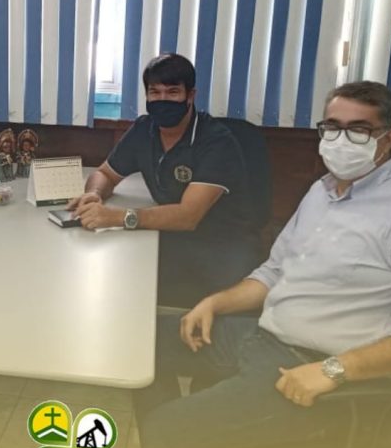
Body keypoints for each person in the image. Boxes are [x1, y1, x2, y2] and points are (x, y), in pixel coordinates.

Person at [128, 81, 391, 448]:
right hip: (263, 337)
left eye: (358, 130)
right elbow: (274, 272)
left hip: (314, 369)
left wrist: (332, 371)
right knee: (138, 348)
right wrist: (216, 303)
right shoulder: (322, 191)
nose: (341, 140)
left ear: (388, 138)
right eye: (332, 127)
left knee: (170, 433)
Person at [68, 54, 259, 307]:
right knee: (102, 270)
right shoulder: (144, 129)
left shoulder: (216, 142)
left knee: (127, 289)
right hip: (168, 236)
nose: (162, 100)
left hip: (218, 246)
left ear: (190, 95)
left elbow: (188, 217)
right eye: (154, 92)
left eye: (172, 92)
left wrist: (117, 217)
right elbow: (105, 174)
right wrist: (94, 194)